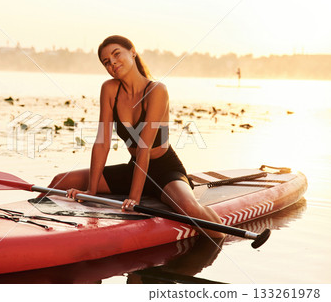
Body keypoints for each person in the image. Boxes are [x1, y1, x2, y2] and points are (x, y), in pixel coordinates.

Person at [45, 35, 224, 238]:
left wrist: (134, 199)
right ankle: (34, 227)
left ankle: (220, 237)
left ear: (132, 52)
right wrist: (91, 191)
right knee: (60, 180)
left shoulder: (157, 90)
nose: (112, 63)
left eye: (116, 54)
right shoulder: (110, 89)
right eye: (106, 62)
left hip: (164, 171)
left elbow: (144, 147)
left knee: (189, 208)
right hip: (134, 168)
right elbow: (102, 141)